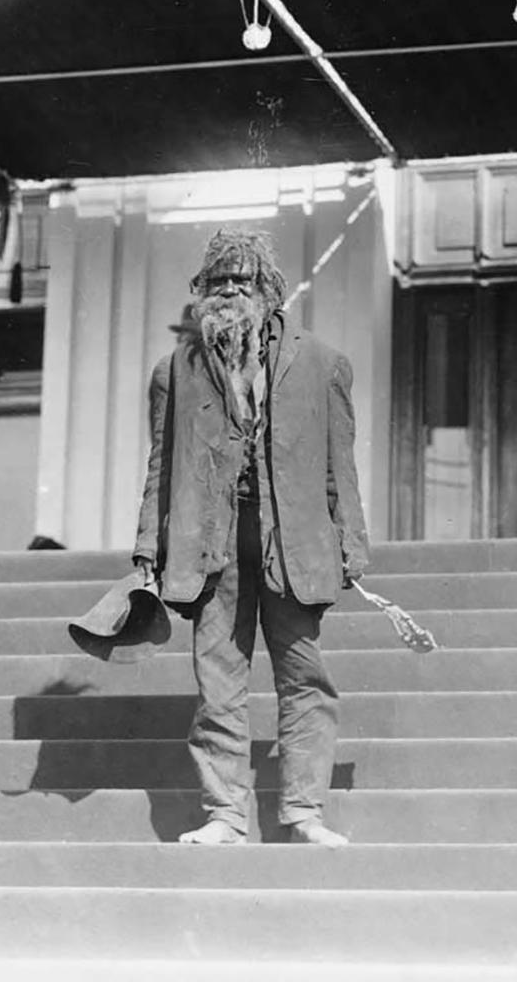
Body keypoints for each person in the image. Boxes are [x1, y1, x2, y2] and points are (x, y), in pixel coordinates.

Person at [132, 229, 370, 847]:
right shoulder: (175, 372)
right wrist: (145, 552)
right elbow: (162, 466)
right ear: (199, 293)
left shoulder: (323, 364)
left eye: (244, 280)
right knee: (218, 686)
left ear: (270, 290)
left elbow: (338, 467)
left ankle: (304, 813)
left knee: (305, 679)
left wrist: (352, 544)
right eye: (218, 281)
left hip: (292, 546)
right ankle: (226, 816)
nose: (230, 291)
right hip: (208, 547)